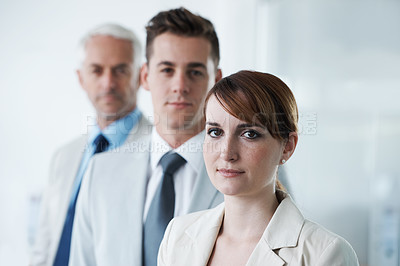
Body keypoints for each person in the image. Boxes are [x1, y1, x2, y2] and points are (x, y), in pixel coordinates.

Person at [69, 8, 223, 266]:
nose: (179, 85)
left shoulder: (251, 170)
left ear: (216, 80)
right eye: (166, 70)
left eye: (195, 72)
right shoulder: (100, 172)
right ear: (145, 76)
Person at [158, 70, 360, 266]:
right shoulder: (177, 236)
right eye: (215, 131)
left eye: (250, 134)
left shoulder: (325, 254)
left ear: (287, 147)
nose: (227, 153)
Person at [30, 24, 150, 266]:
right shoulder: (64, 156)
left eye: (120, 70)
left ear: (140, 75)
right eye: (96, 70)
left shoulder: (161, 153)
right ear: (81, 78)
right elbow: (45, 241)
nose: (108, 83)